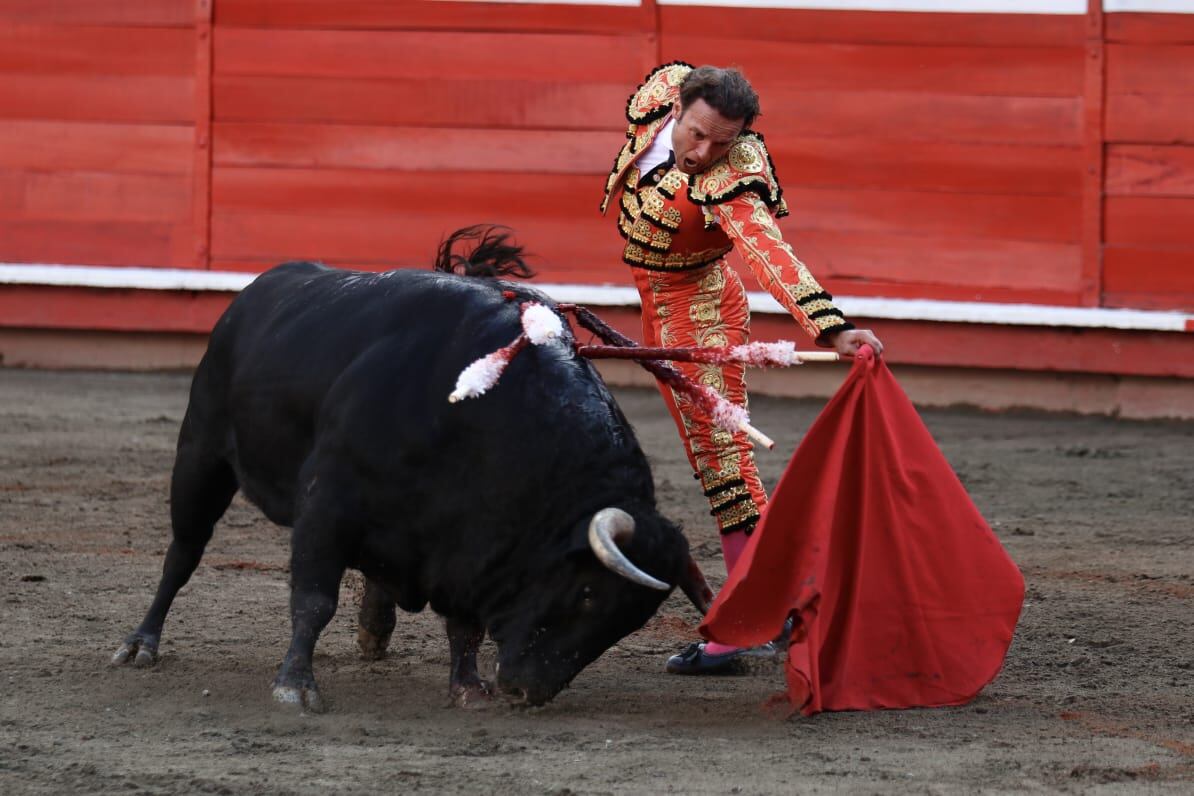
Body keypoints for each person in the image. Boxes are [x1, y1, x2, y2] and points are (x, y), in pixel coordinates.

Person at [599, 62, 884, 674]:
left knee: (723, 463)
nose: (704, 153)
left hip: (699, 311)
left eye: (722, 142)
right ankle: (765, 605)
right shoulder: (663, 91)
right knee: (715, 461)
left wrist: (829, 326)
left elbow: (768, 252)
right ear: (677, 109)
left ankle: (753, 620)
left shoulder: (733, 176)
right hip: (658, 307)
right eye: (697, 134)